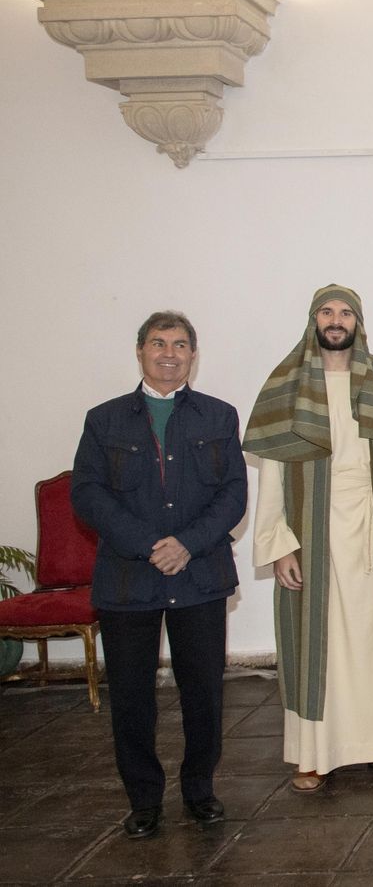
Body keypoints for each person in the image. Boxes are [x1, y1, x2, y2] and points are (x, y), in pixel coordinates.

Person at [245, 285, 373, 791]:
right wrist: (277, 540)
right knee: (318, 644)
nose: (336, 319)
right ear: (313, 321)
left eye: (345, 312)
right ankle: (315, 753)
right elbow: (272, 469)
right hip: (312, 530)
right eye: (327, 311)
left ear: (358, 323)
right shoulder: (287, 386)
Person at [71, 312, 246, 839]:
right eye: (158, 343)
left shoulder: (219, 416)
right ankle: (144, 800)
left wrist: (187, 544)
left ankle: (199, 790)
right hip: (130, 580)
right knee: (130, 699)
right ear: (140, 351)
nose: (169, 353)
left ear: (193, 355)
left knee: (203, 693)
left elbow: (233, 493)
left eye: (180, 345)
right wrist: (150, 545)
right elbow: (87, 494)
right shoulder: (103, 420)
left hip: (199, 576)